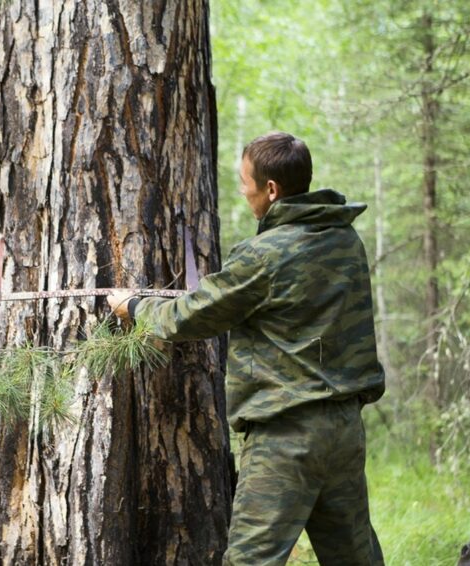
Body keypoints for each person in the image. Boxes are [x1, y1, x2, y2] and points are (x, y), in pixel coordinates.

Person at [108, 132, 386, 566]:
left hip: (286, 433)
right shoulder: (344, 239)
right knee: (354, 558)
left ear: (271, 189)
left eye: (245, 183)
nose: (243, 192)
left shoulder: (264, 255)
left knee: (251, 561)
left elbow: (191, 317)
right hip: (345, 429)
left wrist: (135, 307)